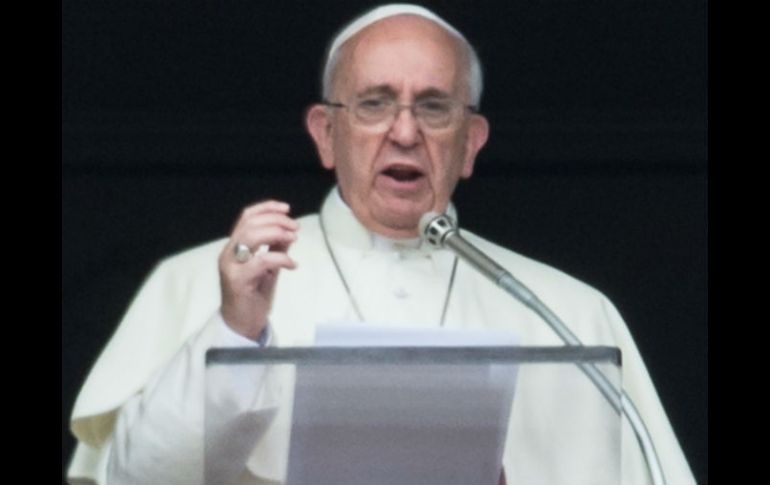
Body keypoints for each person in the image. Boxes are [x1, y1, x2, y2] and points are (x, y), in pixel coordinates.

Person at [67, 4, 696, 485]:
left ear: (471, 142)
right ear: (325, 134)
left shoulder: (571, 312)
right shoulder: (199, 283)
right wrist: (236, 332)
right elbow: (137, 477)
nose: (404, 131)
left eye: (433, 107)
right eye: (374, 104)